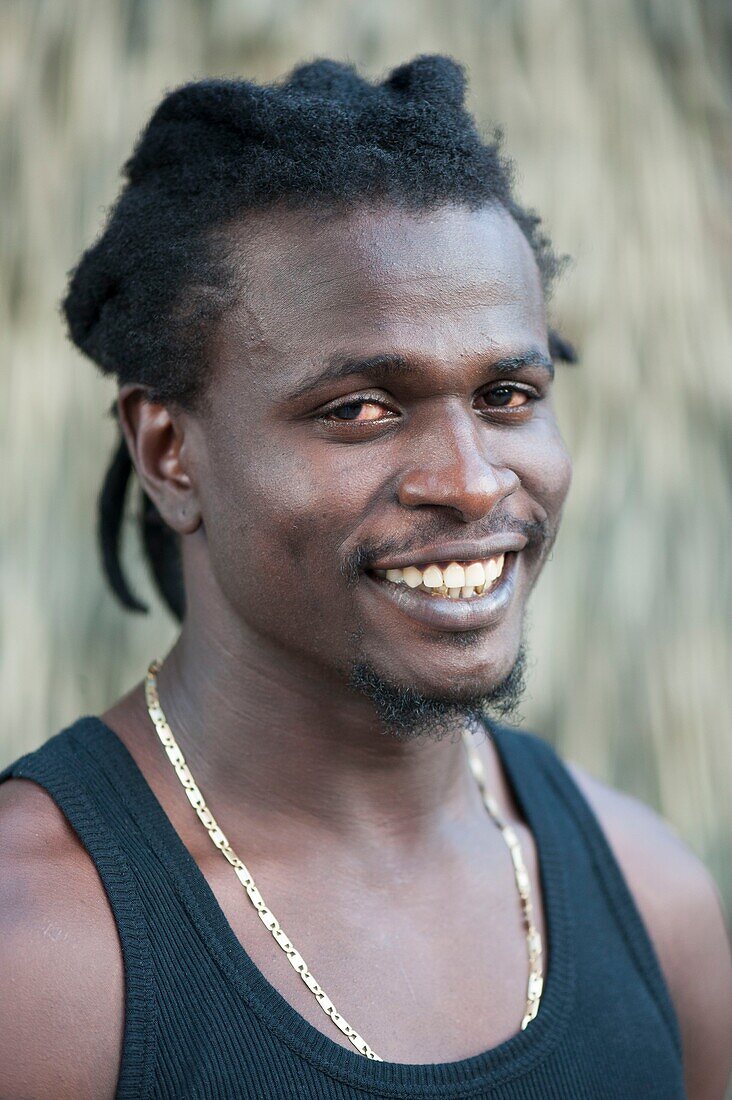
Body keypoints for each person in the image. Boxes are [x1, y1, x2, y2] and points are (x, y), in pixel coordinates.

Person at [0, 55, 730, 1100]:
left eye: (509, 393)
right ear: (170, 452)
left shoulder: (654, 902)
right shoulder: (41, 957)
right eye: (360, 409)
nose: (474, 484)